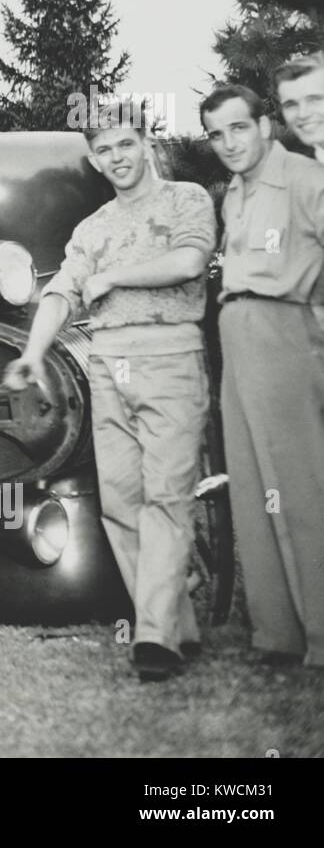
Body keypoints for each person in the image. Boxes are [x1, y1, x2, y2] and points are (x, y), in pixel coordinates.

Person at [3, 101, 216, 681]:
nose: (117, 158)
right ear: (94, 162)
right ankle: (178, 625)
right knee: (122, 503)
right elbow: (60, 294)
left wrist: (115, 276)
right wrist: (30, 354)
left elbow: (191, 260)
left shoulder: (186, 199)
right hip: (110, 365)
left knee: (166, 497)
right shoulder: (91, 229)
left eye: (125, 144)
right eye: (104, 151)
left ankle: (154, 637)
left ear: (145, 142)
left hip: (170, 354)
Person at [200, 83, 324, 668]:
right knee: (252, 487)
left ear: (265, 126)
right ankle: (277, 633)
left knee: (300, 489)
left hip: (284, 333)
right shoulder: (234, 193)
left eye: (238, 127)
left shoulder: (304, 178)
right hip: (236, 333)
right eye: (216, 134)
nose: (228, 143)